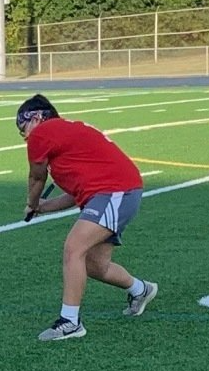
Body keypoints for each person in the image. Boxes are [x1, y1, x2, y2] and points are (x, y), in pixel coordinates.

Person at [17, 93, 157, 341]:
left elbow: (36, 178)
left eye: (23, 126)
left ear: (37, 117)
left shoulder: (44, 133)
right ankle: (141, 289)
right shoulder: (64, 137)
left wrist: (32, 202)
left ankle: (70, 321)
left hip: (116, 191)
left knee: (74, 248)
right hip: (113, 191)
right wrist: (44, 207)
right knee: (95, 265)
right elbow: (77, 194)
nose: (24, 134)